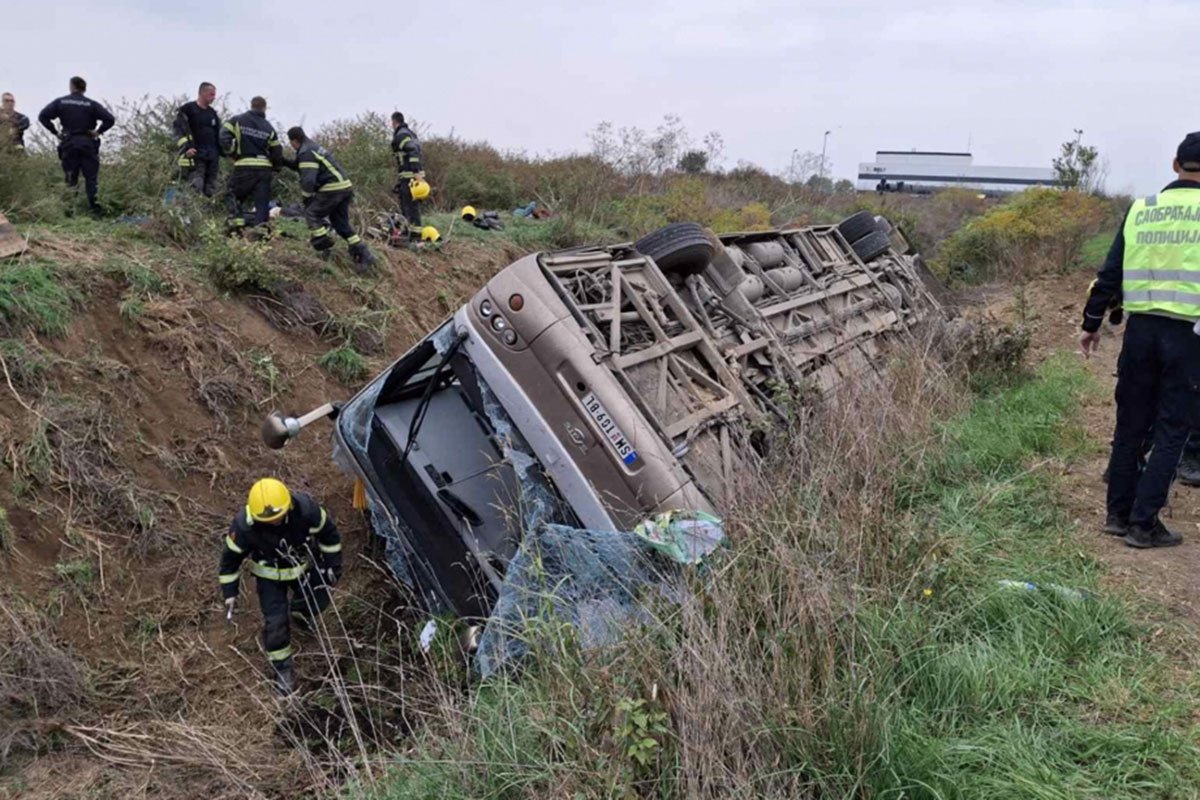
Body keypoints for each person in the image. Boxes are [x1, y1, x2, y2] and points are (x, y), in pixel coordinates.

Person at [1080, 131, 1200, 548]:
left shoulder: (1141, 210)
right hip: (1187, 337)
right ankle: (1144, 524)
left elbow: (1110, 273)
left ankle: (1117, 514)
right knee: (1172, 430)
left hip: (1139, 332)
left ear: (1174, 165)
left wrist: (1092, 322)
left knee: (1130, 423)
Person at [218, 478, 342, 694]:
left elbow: (329, 534)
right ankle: (283, 669)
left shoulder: (306, 510)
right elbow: (230, 560)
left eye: (278, 517)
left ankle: (301, 614)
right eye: (269, 520)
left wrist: (332, 565)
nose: (275, 523)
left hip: (302, 567)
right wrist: (230, 592)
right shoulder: (244, 526)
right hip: (269, 577)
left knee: (318, 596)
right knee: (276, 624)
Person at [286, 126, 375, 271]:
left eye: (291, 144)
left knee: (312, 214)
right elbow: (299, 166)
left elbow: (308, 180)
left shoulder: (306, 152)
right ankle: (364, 253)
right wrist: (283, 161)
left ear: (294, 141)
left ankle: (325, 249)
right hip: (344, 187)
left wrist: (307, 198)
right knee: (340, 223)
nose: (292, 146)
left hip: (332, 189)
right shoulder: (311, 147)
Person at [37, 77, 115, 215]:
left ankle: (68, 212)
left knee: (70, 178)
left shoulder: (61, 102)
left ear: (72, 86)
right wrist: (98, 132)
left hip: (69, 143)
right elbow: (110, 119)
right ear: (84, 88)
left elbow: (43, 116)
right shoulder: (91, 104)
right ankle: (95, 212)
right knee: (91, 179)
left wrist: (55, 132)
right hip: (87, 144)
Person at [219, 96, 282, 233]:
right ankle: (260, 234)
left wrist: (232, 153)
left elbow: (224, 136)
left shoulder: (237, 120)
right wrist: (276, 167)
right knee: (261, 204)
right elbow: (277, 151)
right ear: (264, 108)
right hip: (264, 170)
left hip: (244, 166)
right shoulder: (269, 127)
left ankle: (236, 228)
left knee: (233, 194)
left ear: (251, 105)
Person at [173, 82, 221, 197]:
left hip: (212, 157)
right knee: (195, 187)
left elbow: (218, 134)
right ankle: (193, 213)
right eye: (211, 94)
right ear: (202, 93)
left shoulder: (212, 113)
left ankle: (207, 213)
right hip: (196, 156)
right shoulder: (187, 110)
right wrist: (186, 149)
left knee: (211, 189)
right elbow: (178, 131)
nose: (214, 97)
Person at [390, 112, 425, 241]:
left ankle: (411, 236)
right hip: (415, 178)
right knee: (413, 207)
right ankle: (415, 235)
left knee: (408, 206)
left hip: (410, 177)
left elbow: (412, 151)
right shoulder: (411, 133)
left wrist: (415, 172)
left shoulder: (401, 135)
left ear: (393, 122)